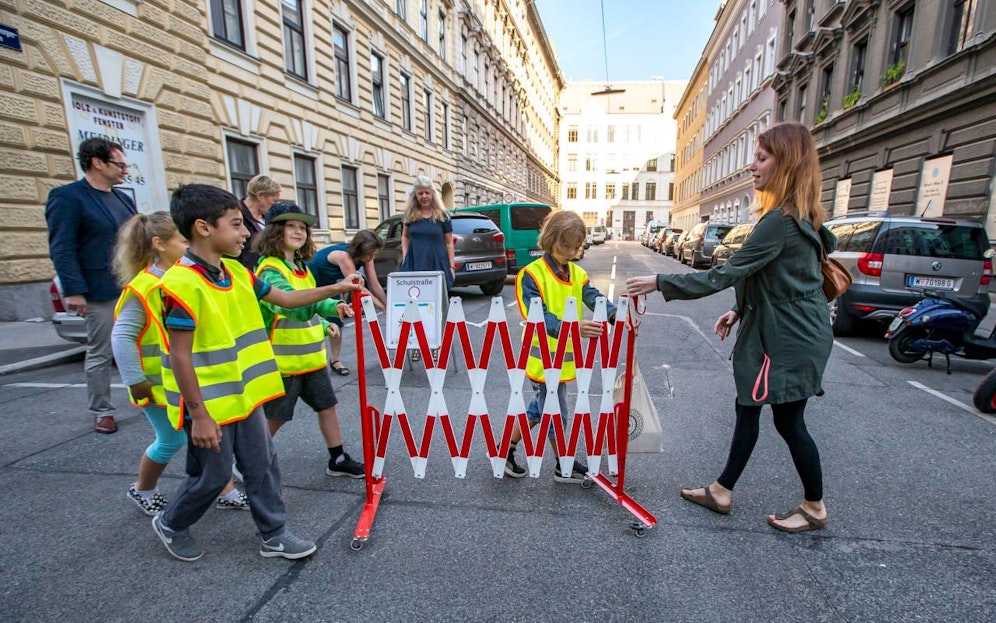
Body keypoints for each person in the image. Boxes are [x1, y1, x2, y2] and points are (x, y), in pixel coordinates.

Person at [626, 121, 833, 533]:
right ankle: (722, 490)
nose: (751, 167)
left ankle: (814, 506)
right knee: (749, 407)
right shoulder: (799, 215)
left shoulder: (781, 220)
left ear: (786, 162)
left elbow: (724, 272)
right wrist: (740, 311)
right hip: (788, 331)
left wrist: (659, 280)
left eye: (761, 158)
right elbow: (775, 275)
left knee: (789, 422)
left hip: (788, 338)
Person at [151, 184, 360, 562]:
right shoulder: (180, 285)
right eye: (235, 224)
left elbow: (286, 299)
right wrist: (197, 414)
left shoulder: (237, 272)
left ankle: (274, 534)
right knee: (213, 477)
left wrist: (337, 288)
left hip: (246, 396)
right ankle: (170, 522)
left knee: (262, 465)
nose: (246, 232)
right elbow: (180, 357)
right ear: (203, 227)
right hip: (209, 405)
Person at [110, 213, 248, 516]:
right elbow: (121, 337)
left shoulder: (186, 277)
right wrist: (135, 381)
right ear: (158, 244)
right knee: (171, 438)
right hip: (156, 384)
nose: (190, 245)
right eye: (183, 240)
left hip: (185, 380)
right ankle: (143, 488)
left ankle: (223, 489)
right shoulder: (145, 286)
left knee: (211, 435)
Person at [253, 201, 365, 478]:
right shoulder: (270, 270)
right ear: (274, 231)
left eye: (302, 227)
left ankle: (337, 458)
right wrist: (337, 288)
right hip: (283, 363)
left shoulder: (301, 267)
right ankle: (248, 460)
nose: (298, 231)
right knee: (276, 416)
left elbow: (314, 303)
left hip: (312, 359)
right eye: (290, 226)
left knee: (327, 406)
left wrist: (332, 311)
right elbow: (293, 306)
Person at [505, 210, 616, 483]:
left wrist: (616, 314)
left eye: (577, 247)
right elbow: (537, 316)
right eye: (566, 245)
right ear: (551, 239)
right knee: (556, 410)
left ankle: (503, 452)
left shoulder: (576, 273)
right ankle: (562, 465)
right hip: (541, 359)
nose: (572, 252)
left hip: (562, 360)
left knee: (538, 409)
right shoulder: (531, 275)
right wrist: (574, 327)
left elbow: (593, 296)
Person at [46, 137, 138, 434]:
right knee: (101, 351)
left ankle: (150, 394)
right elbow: (62, 247)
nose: (125, 170)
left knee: (144, 344)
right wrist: (73, 290)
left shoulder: (123, 198)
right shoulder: (68, 197)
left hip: (133, 285)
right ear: (97, 163)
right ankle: (103, 410)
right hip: (98, 289)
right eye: (119, 164)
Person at [308, 229, 388, 375]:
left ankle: (335, 360)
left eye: (374, 253)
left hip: (330, 285)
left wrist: (387, 305)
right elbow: (358, 287)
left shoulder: (366, 258)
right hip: (311, 281)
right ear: (361, 250)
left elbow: (375, 284)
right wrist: (380, 306)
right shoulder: (344, 257)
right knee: (309, 320)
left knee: (336, 320)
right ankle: (310, 362)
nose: (373, 257)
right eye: (371, 253)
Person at [400, 176, 455, 290]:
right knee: (415, 298)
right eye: (420, 193)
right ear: (415, 195)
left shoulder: (443, 216)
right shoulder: (410, 215)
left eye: (427, 193)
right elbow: (405, 237)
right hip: (414, 263)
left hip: (437, 263)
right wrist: (406, 256)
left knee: (438, 300)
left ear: (432, 194)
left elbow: (449, 243)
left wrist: (452, 266)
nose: (424, 196)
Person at [236, 175, 282, 269]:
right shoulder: (236, 216)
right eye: (274, 201)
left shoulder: (269, 218)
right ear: (260, 195)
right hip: (247, 275)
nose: (275, 205)